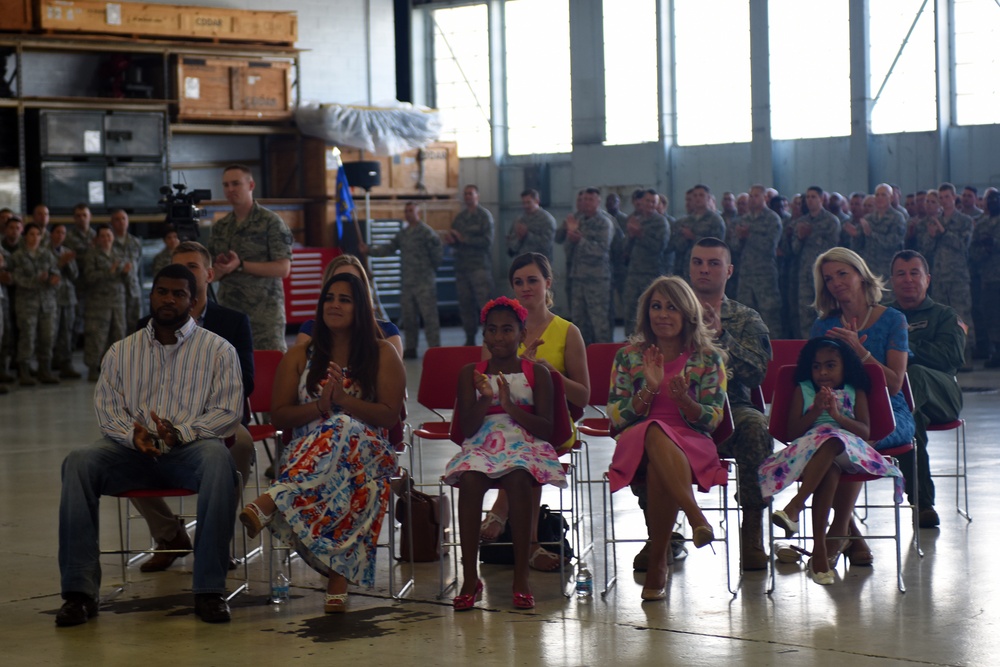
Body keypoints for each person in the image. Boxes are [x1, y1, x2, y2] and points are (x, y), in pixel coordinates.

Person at [56, 264, 243, 626]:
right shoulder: (121, 352)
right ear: (151, 294)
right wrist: (133, 434)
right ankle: (79, 594)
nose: (169, 299)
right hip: (132, 451)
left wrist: (180, 432)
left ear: (194, 300)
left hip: (190, 449)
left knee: (219, 462)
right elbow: (108, 410)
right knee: (78, 461)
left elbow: (227, 412)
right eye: (162, 291)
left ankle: (209, 590)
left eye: (179, 293)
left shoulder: (218, 350)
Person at [238, 272, 405, 613]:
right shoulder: (301, 355)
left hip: (369, 451)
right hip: (307, 455)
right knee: (349, 474)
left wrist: (342, 402)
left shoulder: (382, 352)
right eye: (329, 298)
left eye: (344, 299)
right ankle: (337, 577)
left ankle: (274, 500)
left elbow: (391, 416)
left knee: (344, 426)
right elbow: (279, 418)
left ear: (361, 308)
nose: (334, 304)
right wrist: (320, 406)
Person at [131, 241, 256, 572]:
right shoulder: (147, 323)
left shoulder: (232, 322)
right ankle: (169, 535)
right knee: (121, 443)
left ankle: (214, 540)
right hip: (161, 417)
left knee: (241, 444)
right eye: (177, 267)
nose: (183, 274)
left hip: (217, 416)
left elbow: (247, 383)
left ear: (209, 274)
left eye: (192, 267)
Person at [607, 276, 729, 601]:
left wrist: (685, 402)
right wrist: (648, 389)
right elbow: (616, 417)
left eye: (671, 307)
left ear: (687, 313)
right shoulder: (629, 357)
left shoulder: (708, 358)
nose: (662, 314)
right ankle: (694, 515)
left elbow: (714, 419)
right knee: (655, 429)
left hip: (692, 443)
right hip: (638, 441)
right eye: (656, 307)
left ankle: (658, 560)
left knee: (662, 455)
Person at [443, 296, 561, 611]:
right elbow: (467, 428)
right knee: (469, 481)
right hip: (482, 443)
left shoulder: (537, 374)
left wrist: (510, 406)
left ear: (522, 334)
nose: (499, 337)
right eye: (492, 330)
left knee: (520, 479)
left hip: (524, 443)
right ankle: (470, 578)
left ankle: (521, 578)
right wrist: (486, 399)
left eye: (508, 330)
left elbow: (546, 428)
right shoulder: (472, 372)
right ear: (484, 335)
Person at [478, 253, 590, 572]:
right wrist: (516, 369)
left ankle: (515, 527)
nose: (525, 287)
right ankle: (523, 537)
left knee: (534, 443)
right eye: (518, 282)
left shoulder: (568, 332)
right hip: (503, 418)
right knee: (521, 441)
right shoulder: (501, 329)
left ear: (547, 283)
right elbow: (483, 382)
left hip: (551, 423)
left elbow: (583, 395)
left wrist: (547, 372)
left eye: (533, 280)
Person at [759, 338, 903, 585]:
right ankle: (820, 552)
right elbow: (793, 432)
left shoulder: (855, 390)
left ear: (845, 366)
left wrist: (836, 416)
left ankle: (796, 504)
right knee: (830, 470)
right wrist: (815, 411)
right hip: (810, 453)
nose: (822, 373)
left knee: (833, 438)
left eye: (830, 366)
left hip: (851, 450)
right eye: (816, 367)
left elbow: (865, 431)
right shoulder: (803, 389)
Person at [809, 247, 914, 566]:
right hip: (838, 408)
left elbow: (895, 383)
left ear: (861, 274)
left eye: (843, 274)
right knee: (825, 442)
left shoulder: (893, 319)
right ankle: (849, 535)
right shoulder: (823, 326)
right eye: (829, 278)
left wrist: (859, 352)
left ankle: (838, 529)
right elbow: (817, 379)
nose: (836, 282)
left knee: (849, 441)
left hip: (886, 410)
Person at [888, 250, 966, 528]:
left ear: (927, 279)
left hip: (943, 396)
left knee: (915, 376)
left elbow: (951, 357)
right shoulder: (883, 316)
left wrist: (901, 351)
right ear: (892, 281)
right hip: (903, 404)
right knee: (912, 417)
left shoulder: (944, 315)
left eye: (914, 273)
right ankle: (922, 503)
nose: (908, 279)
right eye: (901, 274)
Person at [209, 164, 293, 351]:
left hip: (264, 317)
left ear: (251, 185)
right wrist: (220, 270)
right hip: (229, 314)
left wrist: (240, 266)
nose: (230, 189)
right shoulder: (221, 227)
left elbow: (283, 268)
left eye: (236, 184)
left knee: (269, 370)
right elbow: (212, 273)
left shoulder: (270, 222)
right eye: (226, 185)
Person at [360, 201, 443, 359]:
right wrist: (369, 250)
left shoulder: (426, 232)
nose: (408, 213)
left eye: (411, 210)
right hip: (408, 283)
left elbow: (438, 253)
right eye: (406, 211)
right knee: (409, 317)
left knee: (429, 317)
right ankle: (411, 347)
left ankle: (435, 348)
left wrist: (429, 270)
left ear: (418, 212)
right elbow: (389, 247)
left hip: (424, 282)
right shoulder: (404, 234)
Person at [443, 184, 495, 346]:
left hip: (479, 268)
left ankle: (490, 339)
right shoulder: (460, 218)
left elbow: (488, 242)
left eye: (471, 194)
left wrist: (465, 239)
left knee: (485, 306)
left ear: (477, 196)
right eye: (465, 194)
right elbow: (456, 242)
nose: (468, 197)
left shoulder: (484, 216)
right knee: (465, 305)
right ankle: (470, 338)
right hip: (462, 268)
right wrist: (452, 241)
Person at [10, 223, 60, 385]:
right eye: (31, 234)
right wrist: (36, 280)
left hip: (47, 303)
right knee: (28, 337)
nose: (35, 238)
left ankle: (44, 370)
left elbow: (56, 272)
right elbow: (17, 279)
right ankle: (24, 371)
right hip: (27, 304)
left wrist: (53, 279)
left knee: (47, 337)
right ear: (25, 237)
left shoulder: (47, 255)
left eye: (38, 235)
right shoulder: (18, 256)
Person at [563, 187, 614, 345]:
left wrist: (580, 240)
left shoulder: (603, 222)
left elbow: (602, 249)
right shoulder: (578, 220)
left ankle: (604, 362)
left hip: (596, 279)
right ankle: (582, 361)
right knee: (579, 322)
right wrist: (570, 237)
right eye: (583, 199)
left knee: (599, 324)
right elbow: (568, 250)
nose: (586, 202)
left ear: (598, 202)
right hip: (578, 278)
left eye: (590, 199)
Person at [735, 184, 783, 336]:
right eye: (751, 196)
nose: (752, 199)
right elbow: (733, 247)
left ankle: (774, 353)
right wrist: (740, 238)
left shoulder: (772, 219)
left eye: (756, 196)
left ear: (765, 198)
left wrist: (749, 236)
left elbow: (770, 246)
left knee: (770, 317)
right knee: (745, 316)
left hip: (765, 276)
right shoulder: (744, 219)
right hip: (746, 275)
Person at [793, 186, 842, 337]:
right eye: (807, 197)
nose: (810, 200)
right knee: (805, 313)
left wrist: (812, 234)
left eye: (813, 197)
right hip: (805, 274)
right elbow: (794, 250)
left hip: (824, 274)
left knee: (825, 310)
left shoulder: (831, 221)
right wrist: (801, 237)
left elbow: (833, 250)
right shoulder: (801, 222)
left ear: (821, 199)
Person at [82, 226, 126, 382]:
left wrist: (125, 272)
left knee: (118, 335)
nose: (106, 239)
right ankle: (93, 367)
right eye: (103, 236)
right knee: (97, 336)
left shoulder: (118, 253)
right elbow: (88, 277)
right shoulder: (92, 255)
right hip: (98, 304)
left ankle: (114, 368)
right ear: (98, 239)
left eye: (109, 235)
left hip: (117, 302)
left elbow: (125, 277)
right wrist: (109, 271)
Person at [623, 189, 670, 336]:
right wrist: (631, 235)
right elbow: (624, 248)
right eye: (647, 201)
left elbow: (659, 247)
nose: (650, 204)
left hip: (651, 273)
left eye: (653, 202)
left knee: (649, 309)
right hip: (633, 272)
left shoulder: (660, 222)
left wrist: (640, 234)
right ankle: (629, 343)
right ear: (641, 202)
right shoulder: (635, 219)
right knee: (630, 309)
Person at [843, 183, 906, 284]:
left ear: (890, 198)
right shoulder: (868, 218)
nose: (880, 198)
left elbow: (893, 243)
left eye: (883, 195)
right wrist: (855, 236)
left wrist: (871, 234)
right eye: (877, 195)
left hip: (888, 269)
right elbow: (858, 247)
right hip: (870, 269)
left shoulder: (897, 218)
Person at [669, 184, 726, 281]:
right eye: (695, 196)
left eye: (701, 195)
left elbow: (718, 245)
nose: (697, 198)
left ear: (708, 198)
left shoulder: (715, 220)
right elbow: (675, 246)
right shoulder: (685, 221)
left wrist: (693, 237)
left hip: (707, 270)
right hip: (685, 269)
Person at [48, 223, 81, 379]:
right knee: (50, 333)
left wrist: (67, 263)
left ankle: (66, 363)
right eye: (57, 232)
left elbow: (75, 275)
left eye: (63, 233)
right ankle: (48, 364)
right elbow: (46, 271)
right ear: (51, 234)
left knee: (67, 332)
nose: (60, 235)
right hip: (51, 298)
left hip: (67, 297)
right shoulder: (45, 251)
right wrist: (60, 263)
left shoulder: (67, 252)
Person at [974, 191, 1000, 367]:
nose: (992, 203)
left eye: (996, 200)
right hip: (989, 277)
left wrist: (995, 243)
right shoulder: (981, 223)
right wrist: (985, 249)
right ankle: (996, 351)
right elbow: (973, 250)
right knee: (991, 316)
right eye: (989, 200)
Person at [110, 209, 143, 331]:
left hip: (133, 290)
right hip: (116, 292)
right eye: (117, 220)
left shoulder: (135, 242)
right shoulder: (109, 241)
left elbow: (138, 264)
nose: (121, 222)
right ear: (112, 223)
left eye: (123, 219)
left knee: (136, 327)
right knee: (118, 329)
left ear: (128, 222)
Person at [505, 188, 556, 261]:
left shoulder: (547, 220)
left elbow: (546, 245)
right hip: (521, 262)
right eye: (523, 203)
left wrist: (527, 235)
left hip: (540, 264)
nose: (525, 206)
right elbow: (510, 243)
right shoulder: (519, 219)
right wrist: (518, 239)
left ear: (537, 201)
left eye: (528, 202)